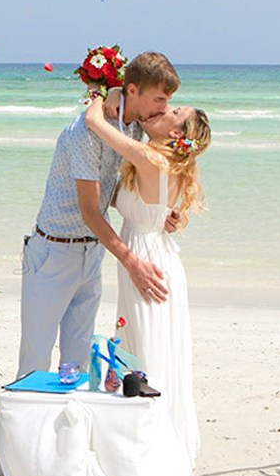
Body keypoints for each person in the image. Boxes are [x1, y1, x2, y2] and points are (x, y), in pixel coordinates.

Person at [17, 51, 178, 379]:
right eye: (159, 99)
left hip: (92, 253)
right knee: (35, 359)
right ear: (132, 90)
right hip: (53, 253)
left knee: (76, 363)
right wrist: (132, 263)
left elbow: (110, 190)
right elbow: (90, 210)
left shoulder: (130, 130)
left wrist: (155, 214)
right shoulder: (88, 132)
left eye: (168, 101)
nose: (163, 108)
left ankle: (67, 431)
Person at [83, 95, 212, 461]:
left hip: (148, 262)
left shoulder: (151, 157)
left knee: (145, 349)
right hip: (154, 251)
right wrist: (168, 218)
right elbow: (133, 205)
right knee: (142, 343)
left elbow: (96, 124)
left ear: (177, 135)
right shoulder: (157, 160)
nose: (164, 110)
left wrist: (99, 97)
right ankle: (145, 444)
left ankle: (149, 449)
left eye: (174, 112)